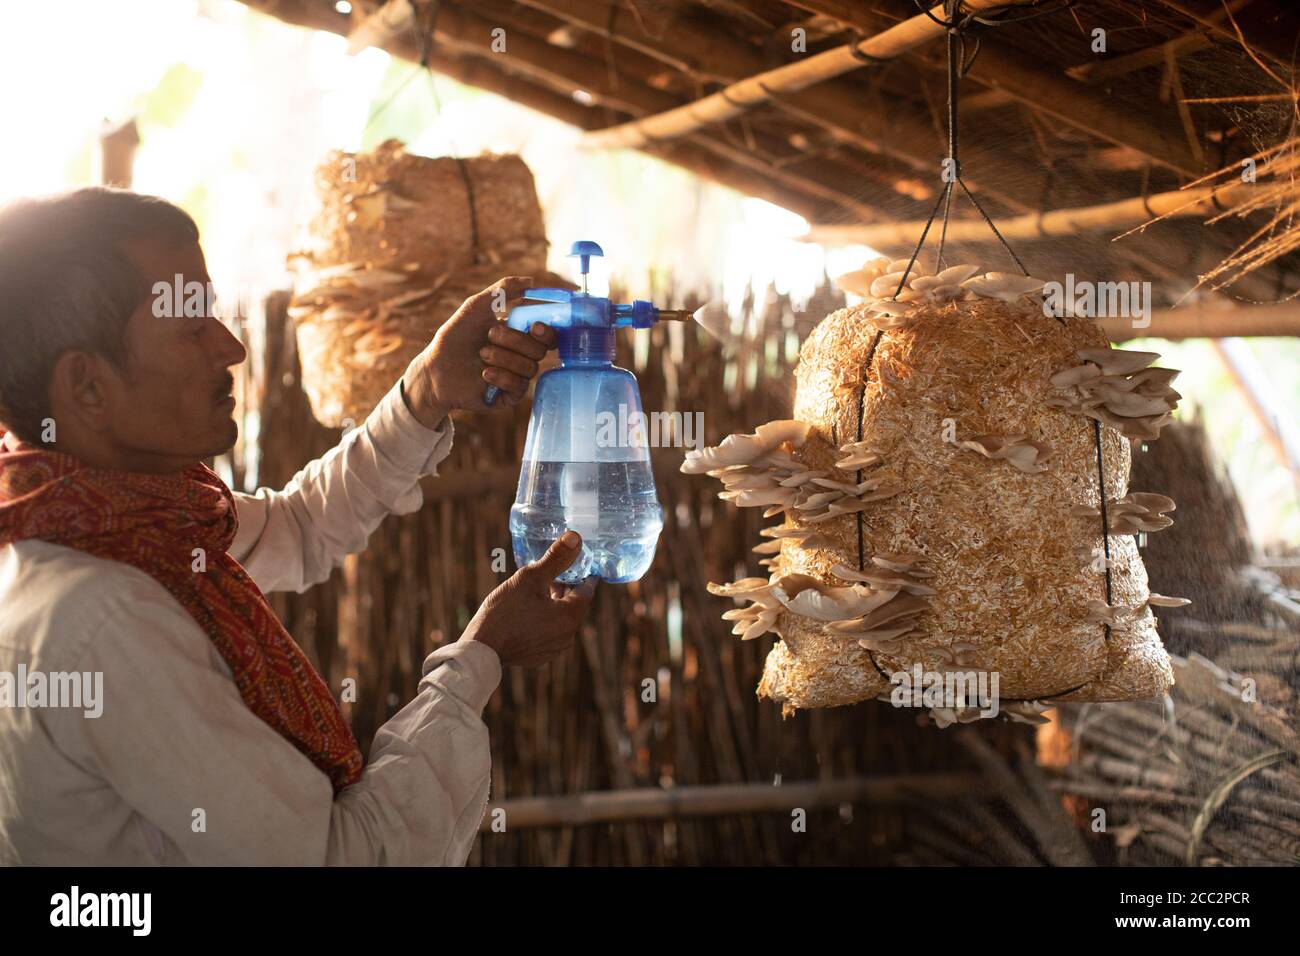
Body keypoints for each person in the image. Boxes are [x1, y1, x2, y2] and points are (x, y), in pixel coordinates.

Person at [0, 187, 596, 865]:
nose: (230, 348)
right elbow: (344, 856)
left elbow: (297, 526)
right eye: (191, 325)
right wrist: (478, 660)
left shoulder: (108, 523)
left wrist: (426, 389)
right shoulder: (108, 620)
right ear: (86, 387)